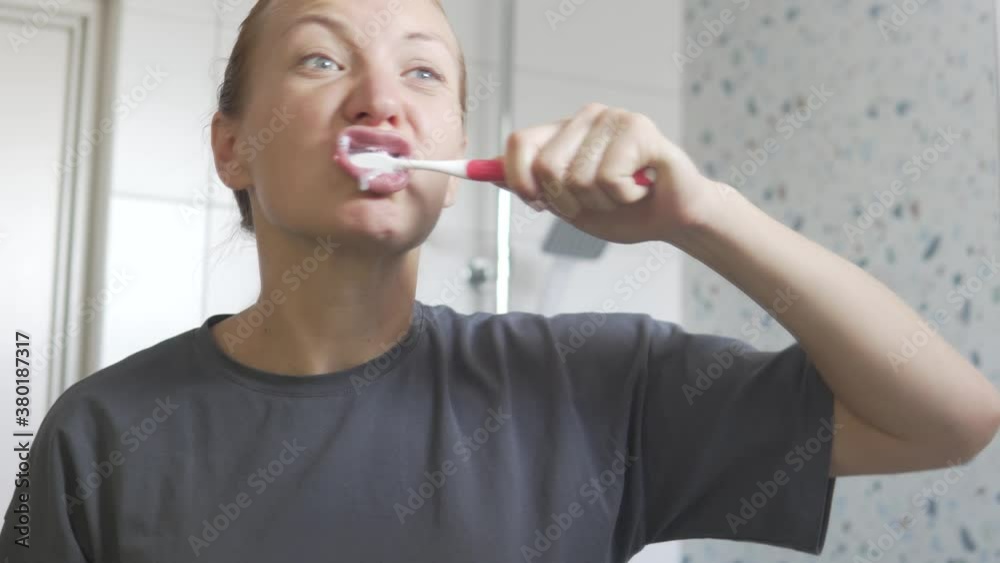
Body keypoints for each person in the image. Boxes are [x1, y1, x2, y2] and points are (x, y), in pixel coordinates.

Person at [3, 0, 999, 562]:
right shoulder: (99, 434)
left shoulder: (595, 385)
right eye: (318, 57)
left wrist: (705, 213)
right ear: (232, 146)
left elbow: (948, 418)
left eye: (425, 74)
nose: (382, 98)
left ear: (455, 156)